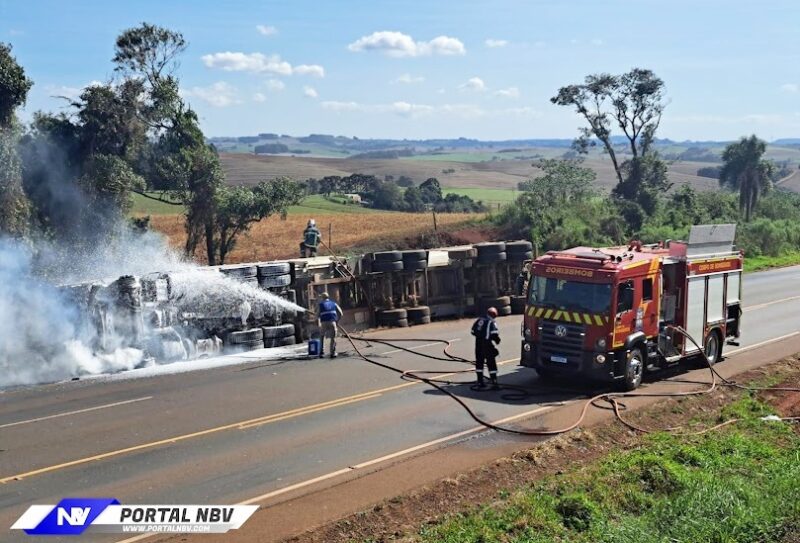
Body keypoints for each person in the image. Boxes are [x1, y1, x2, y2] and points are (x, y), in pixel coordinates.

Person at [471, 306, 501, 388]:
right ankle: (494, 382)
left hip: (478, 344)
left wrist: (480, 335)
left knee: (479, 362)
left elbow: (473, 331)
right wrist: (497, 341)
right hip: (487, 344)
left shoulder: (479, 320)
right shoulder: (491, 322)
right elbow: (494, 334)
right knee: (491, 363)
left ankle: (480, 381)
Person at [317, 292, 343, 358]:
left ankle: (321, 352)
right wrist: (337, 321)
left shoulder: (321, 305)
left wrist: (319, 321)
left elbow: (317, 315)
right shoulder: (333, 303)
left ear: (322, 298)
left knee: (321, 336)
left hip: (324, 323)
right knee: (333, 337)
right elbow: (341, 313)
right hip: (332, 322)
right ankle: (333, 353)